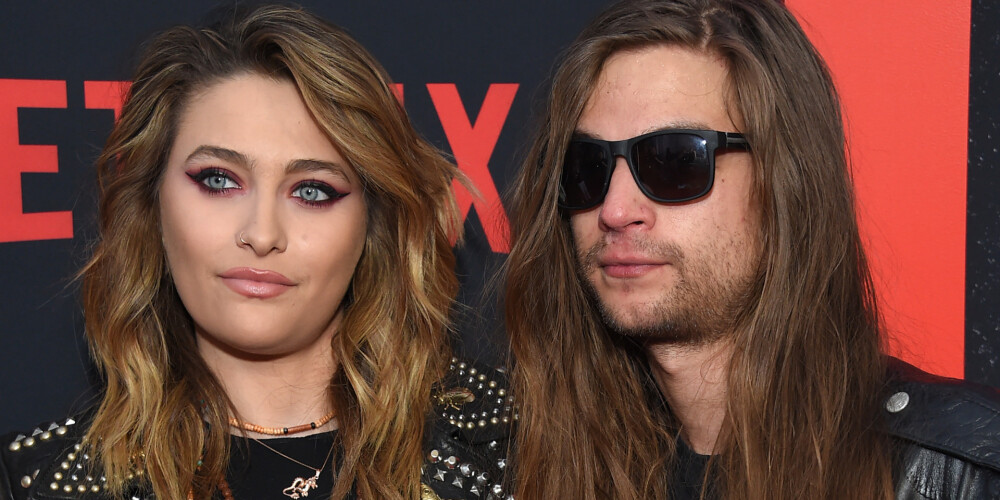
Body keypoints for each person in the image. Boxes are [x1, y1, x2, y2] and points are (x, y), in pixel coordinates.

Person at [0, 5, 508, 500]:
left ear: (374, 224)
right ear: (152, 207)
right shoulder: (38, 483)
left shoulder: (514, 443)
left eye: (312, 190)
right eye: (218, 181)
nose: (262, 235)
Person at [503, 0, 1000, 498]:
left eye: (674, 161)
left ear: (784, 182)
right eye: (587, 166)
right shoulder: (537, 460)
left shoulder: (962, 473)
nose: (614, 210)